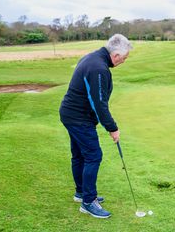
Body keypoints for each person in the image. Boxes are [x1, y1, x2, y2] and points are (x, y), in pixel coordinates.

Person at [59, 34, 133, 219]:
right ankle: (88, 202)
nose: (123, 62)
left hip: (71, 113)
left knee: (79, 154)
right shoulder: (98, 68)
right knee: (93, 155)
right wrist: (112, 128)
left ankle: (81, 193)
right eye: (123, 58)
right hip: (78, 118)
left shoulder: (93, 58)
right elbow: (99, 103)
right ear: (115, 55)